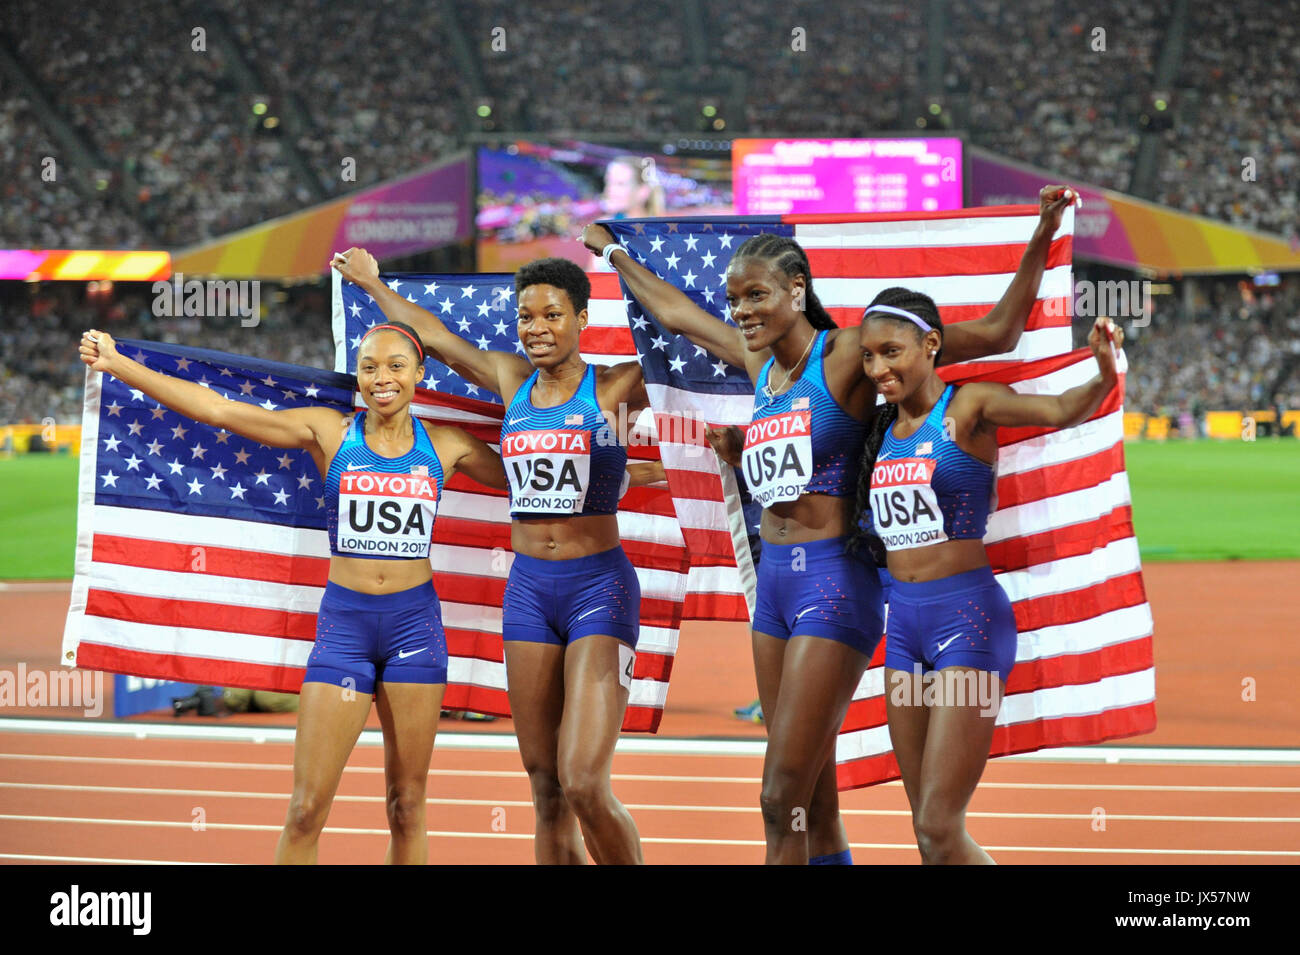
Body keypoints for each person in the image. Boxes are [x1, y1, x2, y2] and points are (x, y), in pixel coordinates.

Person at [580, 184, 1075, 864]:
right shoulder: (761, 368)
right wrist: (612, 251)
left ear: (796, 289)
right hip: (775, 589)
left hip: (834, 586)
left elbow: (996, 333)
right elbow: (679, 316)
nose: (742, 311)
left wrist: (1044, 231)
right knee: (812, 800)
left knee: (777, 796)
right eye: (735, 298)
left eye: (756, 295)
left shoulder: (847, 355)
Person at [78, 320, 506, 864]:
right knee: (305, 807)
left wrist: (637, 472)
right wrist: (119, 364)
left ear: (420, 374)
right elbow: (221, 412)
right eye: (369, 366)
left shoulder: (447, 445)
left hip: (414, 631)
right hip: (345, 630)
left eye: (396, 366)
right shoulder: (329, 431)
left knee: (407, 804)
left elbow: (538, 473)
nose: (382, 378)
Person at [331, 251, 653, 865]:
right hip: (530, 591)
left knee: (583, 779)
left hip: (599, 590)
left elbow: (688, 353)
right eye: (525, 315)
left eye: (552, 314)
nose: (536, 327)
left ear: (582, 318)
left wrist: (620, 254)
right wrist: (372, 283)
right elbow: (436, 339)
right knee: (546, 789)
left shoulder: (614, 387)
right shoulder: (513, 381)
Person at [855, 298, 1122, 864]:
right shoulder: (882, 431)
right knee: (927, 828)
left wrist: (1104, 369)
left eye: (891, 352)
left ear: (931, 346)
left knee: (938, 821)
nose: (878, 369)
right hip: (903, 631)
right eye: (869, 356)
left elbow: (1057, 409)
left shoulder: (966, 406)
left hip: (966, 625)